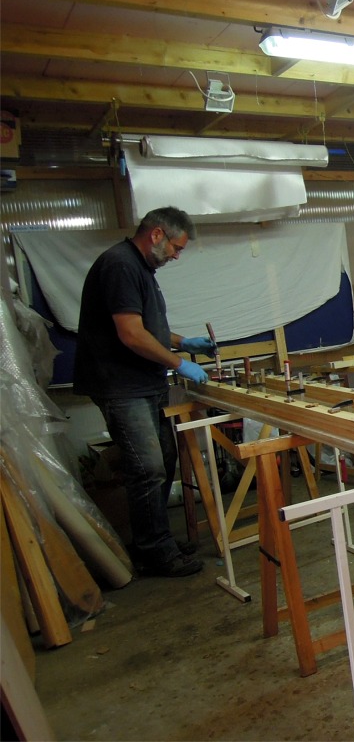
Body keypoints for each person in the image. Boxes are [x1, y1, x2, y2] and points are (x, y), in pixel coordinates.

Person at [74, 206, 217, 578]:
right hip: (121, 385)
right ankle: (154, 551)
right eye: (176, 247)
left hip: (144, 383)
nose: (176, 256)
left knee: (164, 459)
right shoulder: (121, 265)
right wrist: (179, 363)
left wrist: (183, 342)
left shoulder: (141, 270)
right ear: (156, 234)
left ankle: (155, 540)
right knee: (147, 467)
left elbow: (148, 327)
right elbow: (131, 334)